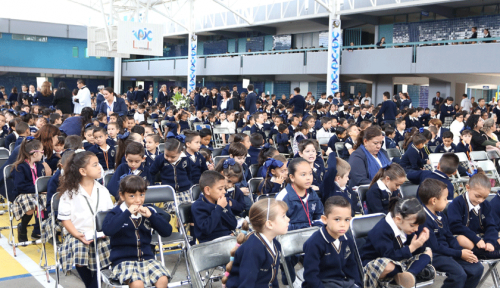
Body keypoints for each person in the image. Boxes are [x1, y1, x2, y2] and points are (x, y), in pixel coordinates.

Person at [57, 151, 114, 288]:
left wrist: (106, 232)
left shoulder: (103, 190)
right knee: (79, 250)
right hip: (78, 233)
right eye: (95, 165)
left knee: (109, 249)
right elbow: (65, 219)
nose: (100, 167)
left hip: (101, 233)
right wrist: (77, 234)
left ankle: (93, 285)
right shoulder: (69, 193)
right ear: (82, 171)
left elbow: (109, 214)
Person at [103, 175, 171, 288]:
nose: (138, 200)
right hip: (123, 262)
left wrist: (151, 216)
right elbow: (108, 230)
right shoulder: (116, 213)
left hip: (148, 259)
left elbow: (167, 231)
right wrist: (127, 213)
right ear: (122, 195)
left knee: (163, 279)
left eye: (142, 195)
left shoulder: (149, 211)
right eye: (132, 196)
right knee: (137, 283)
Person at [418, 179, 484, 288]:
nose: (447, 201)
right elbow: (435, 247)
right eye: (445, 199)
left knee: (477, 268)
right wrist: (459, 254)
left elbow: (450, 237)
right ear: (433, 201)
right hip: (433, 254)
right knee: (459, 274)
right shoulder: (422, 219)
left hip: (448, 251)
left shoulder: (441, 215)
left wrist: (461, 251)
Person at [360, 197, 433, 288]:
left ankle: (409, 274)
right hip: (377, 262)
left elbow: (416, 252)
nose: (416, 229)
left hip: (399, 260)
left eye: (418, 225)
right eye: (413, 225)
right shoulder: (381, 231)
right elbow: (389, 256)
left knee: (428, 251)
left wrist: (421, 241)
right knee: (388, 266)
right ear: (398, 219)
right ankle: (405, 275)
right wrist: (412, 247)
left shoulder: (405, 227)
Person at [276, 158, 324, 286]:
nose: (308, 178)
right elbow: (278, 224)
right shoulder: (284, 197)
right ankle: (290, 281)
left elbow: (320, 215)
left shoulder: (312, 194)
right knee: (288, 264)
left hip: (311, 236)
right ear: (292, 177)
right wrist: (305, 228)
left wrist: (315, 226)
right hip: (289, 238)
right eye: (303, 175)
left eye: (310, 173)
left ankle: (309, 277)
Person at [223, 199, 289, 287]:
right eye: (283, 216)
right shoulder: (253, 249)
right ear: (269, 224)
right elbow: (247, 284)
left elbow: (272, 279)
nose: (288, 219)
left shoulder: (276, 244)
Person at [302, 196, 362, 288]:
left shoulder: (348, 240)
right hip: (321, 283)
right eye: (337, 219)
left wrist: (358, 285)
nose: (343, 224)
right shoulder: (314, 243)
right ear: (325, 219)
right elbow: (311, 276)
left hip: (341, 282)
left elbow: (352, 267)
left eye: (347, 220)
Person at [448, 172, 500, 259]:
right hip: (466, 237)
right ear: (467, 188)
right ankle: (486, 254)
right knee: (461, 240)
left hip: (482, 238)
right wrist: (476, 239)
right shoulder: (457, 203)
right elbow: (455, 226)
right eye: (477, 196)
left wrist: (489, 241)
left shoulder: (486, 205)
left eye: (484, 197)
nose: (480, 200)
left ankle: (486, 251)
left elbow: (491, 226)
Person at [11, 137, 47, 242]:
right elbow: (20, 186)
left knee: (48, 201)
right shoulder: (20, 167)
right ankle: (23, 228)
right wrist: (38, 190)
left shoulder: (39, 166)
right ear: (35, 154)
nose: (43, 154)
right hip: (22, 194)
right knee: (31, 204)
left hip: (37, 193)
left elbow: (41, 181)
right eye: (42, 151)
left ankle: (40, 230)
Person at [192, 170, 237, 243]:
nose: (224, 192)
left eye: (224, 188)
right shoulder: (198, 206)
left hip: (227, 239)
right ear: (207, 190)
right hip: (209, 244)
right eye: (220, 189)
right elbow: (207, 229)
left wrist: (222, 208)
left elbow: (233, 224)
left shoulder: (222, 202)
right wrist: (219, 208)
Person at [149, 138, 192, 208]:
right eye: (166, 155)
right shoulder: (160, 159)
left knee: (186, 209)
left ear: (180, 153)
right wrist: (152, 185)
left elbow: (189, 173)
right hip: (168, 191)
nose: (169, 159)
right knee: (173, 210)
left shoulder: (186, 159)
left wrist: (188, 183)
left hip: (184, 190)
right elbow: (151, 172)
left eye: (173, 157)